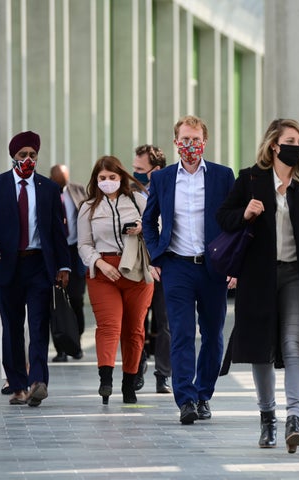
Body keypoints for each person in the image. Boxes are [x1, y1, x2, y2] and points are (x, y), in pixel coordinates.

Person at [216, 118, 299, 453]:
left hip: (298, 276)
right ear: (274, 144)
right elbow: (223, 218)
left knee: (293, 343)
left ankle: (292, 419)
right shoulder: (250, 179)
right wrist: (246, 212)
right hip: (259, 276)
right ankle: (267, 418)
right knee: (260, 347)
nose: (296, 146)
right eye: (290, 140)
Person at [142, 115, 235, 425]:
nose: (190, 145)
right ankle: (185, 400)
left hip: (213, 268)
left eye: (196, 139)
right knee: (181, 333)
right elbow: (148, 221)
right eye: (185, 139)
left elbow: (235, 224)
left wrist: (235, 264)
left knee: (212, 334)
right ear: (175, 141)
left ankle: (204, 394)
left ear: (204, 142)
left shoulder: (223, 176)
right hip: (176, 266)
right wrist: (156, 256)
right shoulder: (163, 178)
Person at [0, 130, 71, 407]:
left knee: (39, 324)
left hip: (39, 265)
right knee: (12, 327)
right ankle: (17, 385)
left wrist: (63, 265)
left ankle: (38, 382)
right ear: (13, 157)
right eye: (22, 155)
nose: (28, 159)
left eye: (32, 155)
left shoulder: (49, 188)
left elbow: (57, 230)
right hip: (6, 266)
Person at [77, 156, 153, 404]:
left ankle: (129, 385)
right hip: (103, 272)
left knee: (134, 330)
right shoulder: (88, 207)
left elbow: (158, 227)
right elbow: (84, 245)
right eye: (102, 178)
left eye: (112, 177)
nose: (107, 182)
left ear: (121, 177)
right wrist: (99, 263)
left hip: (136, 269)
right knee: (109, 326)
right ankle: (105, 380)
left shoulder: (138, 200)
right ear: (95, 180)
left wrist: (143, 228)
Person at [131, 144, 172, 394]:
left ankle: (163, 375)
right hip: (139, 265)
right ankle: (136, 371)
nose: (133, 173)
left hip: (165, 264)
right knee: (137, 322)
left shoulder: (171, 190)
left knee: (165, 322)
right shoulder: (126, 193)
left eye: (139, 169)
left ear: (155, 170)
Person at [49, 164, 87, 362]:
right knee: (56, 303)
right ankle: (60, 349)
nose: (60, 183)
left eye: (63, 179)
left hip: (76, 252)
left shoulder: (78, 190)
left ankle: (77, 342)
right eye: (57, 179)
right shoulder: (46, 193)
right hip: (56, 253)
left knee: (76, 300)